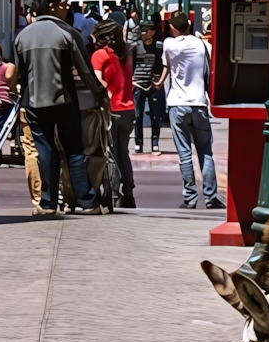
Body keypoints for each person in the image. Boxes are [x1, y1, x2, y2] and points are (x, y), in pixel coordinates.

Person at [14, 0, 105, 216]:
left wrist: (22, 101)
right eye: (63, 3)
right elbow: (85, 70)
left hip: (33, 101)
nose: (67, 7)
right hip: (63, 99)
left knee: (44, 150)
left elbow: (21, 75)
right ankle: (86, 201)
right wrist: (100, 93)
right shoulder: (67, 33)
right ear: (52, 6)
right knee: (74, 149)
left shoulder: (23, 35)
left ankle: (47, 203)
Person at [161, 11, 221, 210]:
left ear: (173, 27)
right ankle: (211, 197)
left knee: (184, 153)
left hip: (177, 104)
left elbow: (166, 66)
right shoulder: (203, 45)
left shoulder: (169, 45)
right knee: (206, 152)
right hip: (199, 103)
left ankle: (190, 198)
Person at [91, 19, 136, 208]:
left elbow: (96, 82)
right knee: (123, 151)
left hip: (112, 109)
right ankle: (128, 191)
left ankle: (113, 190)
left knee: (110, 152)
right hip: (129, 108)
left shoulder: (101, 55)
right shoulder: (127, 53)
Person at [129, 19, 166, 153]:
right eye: (143, 29)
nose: (146, 32)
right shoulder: (135, 46)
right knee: (137, 115)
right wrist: (131, 81)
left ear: (153, 32)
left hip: (154, 84)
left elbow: (164, 64)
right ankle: (138, 142)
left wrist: (160, 80)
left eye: (149, 30)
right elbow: (128, 63)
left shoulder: (159, 46)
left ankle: (155, 142)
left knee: (155, 115)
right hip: (137, 83)